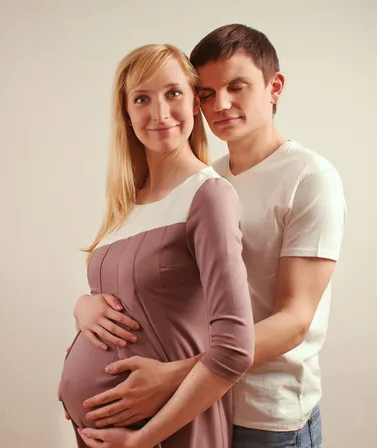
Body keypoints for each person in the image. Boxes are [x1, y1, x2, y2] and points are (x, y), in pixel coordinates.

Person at [67, 24, 347, 448]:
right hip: (205, 400)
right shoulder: (207, 178)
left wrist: (173, 376)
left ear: (275, 88)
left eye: (237, 87)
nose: (222, 104)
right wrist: (84, 305)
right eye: (208, 93)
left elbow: (294, 321)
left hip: (268, 415)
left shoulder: (309, 178)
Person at [58, 43, 255, 448]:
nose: (160, 113)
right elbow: (127, 303)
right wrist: (82, 308)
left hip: (166, 433)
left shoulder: (209, 196)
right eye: (142, 98)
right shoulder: (126, 205)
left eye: (174, 93)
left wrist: (142, 439)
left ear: (195, 104)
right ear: (127, 115)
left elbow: (235, 349)